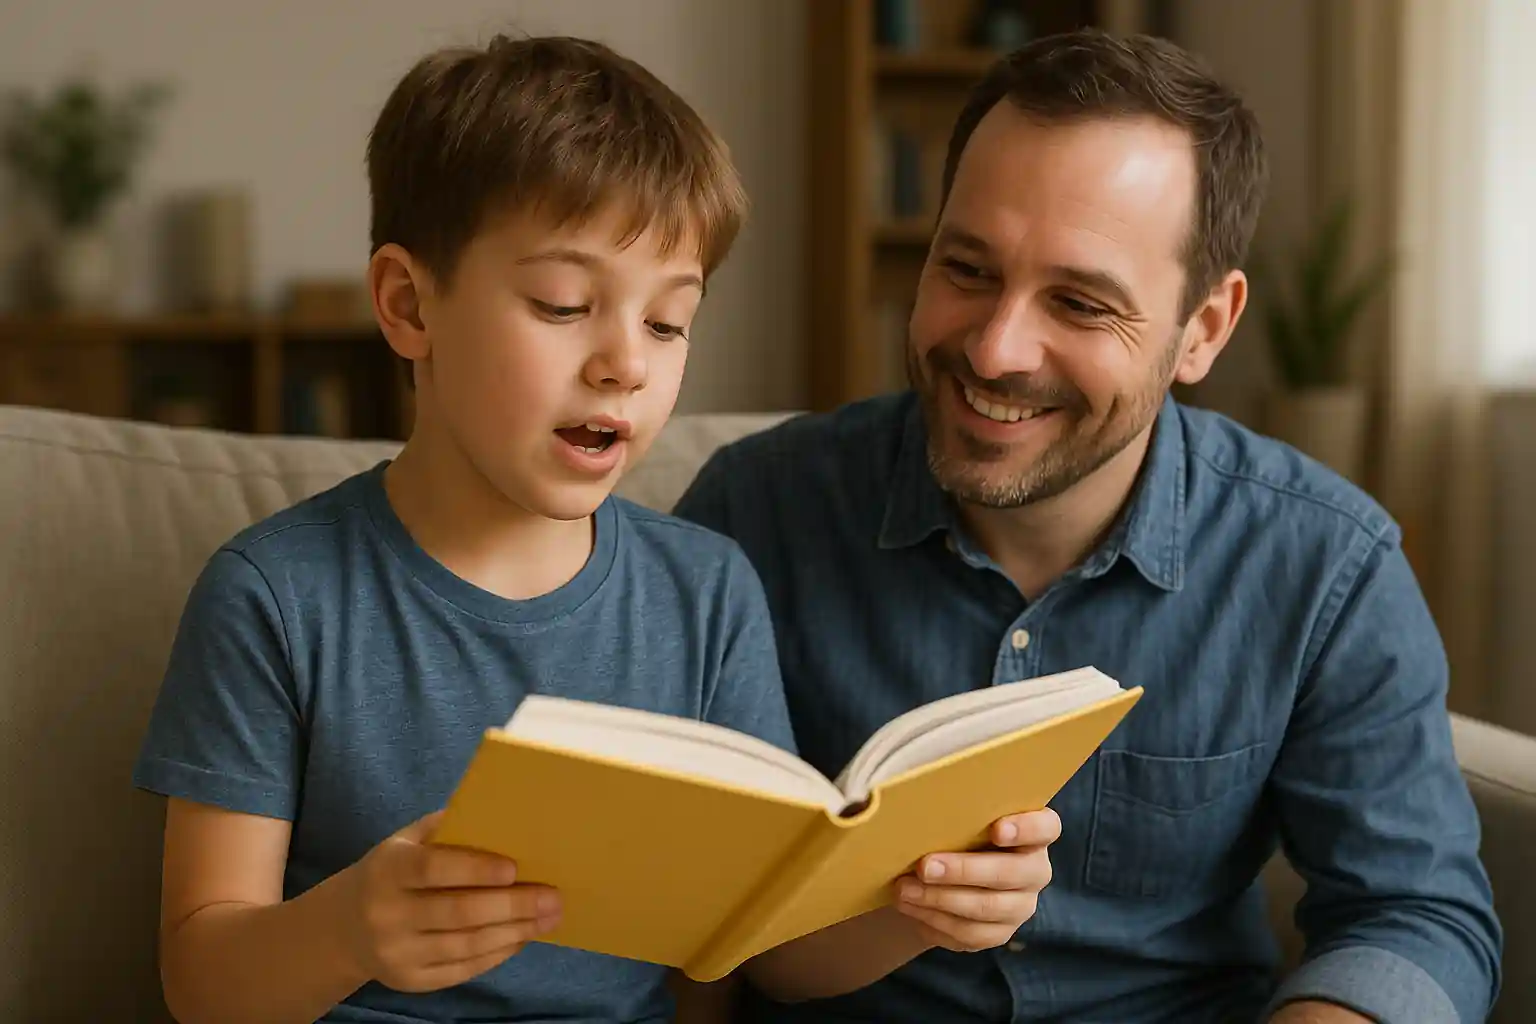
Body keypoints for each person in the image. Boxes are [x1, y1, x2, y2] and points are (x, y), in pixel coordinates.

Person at [130, 33, 1064, 1024]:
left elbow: (749, 949)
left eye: (668, 323)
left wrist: (922, 905)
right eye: (565, 304)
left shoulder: (706, 592)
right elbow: (202, 981)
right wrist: (351, 927)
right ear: (409, 305)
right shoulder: (277, 594)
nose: (625, 362)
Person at [675, 28, 1502, 1024]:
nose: (995, 347)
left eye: (1078, 300)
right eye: (968, 270)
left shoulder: (1326, 563)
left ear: (1204, 328)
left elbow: (1415, 914)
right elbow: (686, 908)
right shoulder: (751, 515)